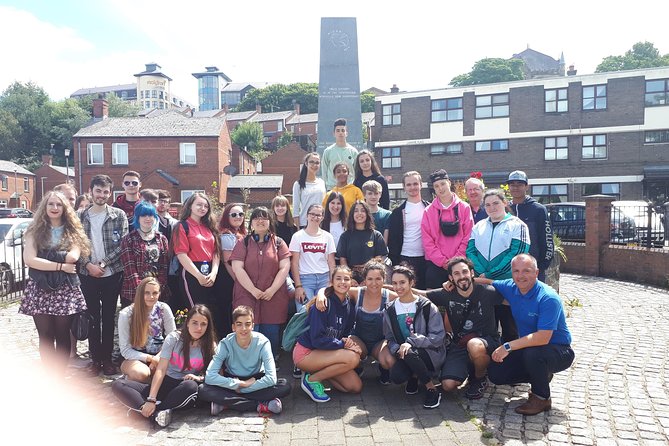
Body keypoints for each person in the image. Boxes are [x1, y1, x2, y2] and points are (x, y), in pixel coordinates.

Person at [483, 254, 575, 416]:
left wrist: (507, 346)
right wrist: (456, 283)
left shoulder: (548, 298)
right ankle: (541, 374)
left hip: (559, 350)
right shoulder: (511, 287)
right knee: (496, 372)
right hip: (530, 348)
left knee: (533, 354)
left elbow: (542, 338)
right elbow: (488, 282)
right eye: (516, 271)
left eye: (526, 271)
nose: (520, 276)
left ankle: (542, 398)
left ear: (536, 272)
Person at [111, 304, 217, 428]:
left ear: (208, 326)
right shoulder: (174, 338)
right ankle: (154, 412)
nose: (198, 328)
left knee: (191, 387)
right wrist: (151, 399)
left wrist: (199, 378)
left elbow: (214, 373)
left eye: (203, 324)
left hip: (184, 389)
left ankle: (150, 411)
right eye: (194, 322)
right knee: (118, 384)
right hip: (165, 384)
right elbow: (161, 370)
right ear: (187, 322)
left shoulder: (211, 346)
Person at [19, 190, 90, 372]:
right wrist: (60, 265)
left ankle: (59, 373)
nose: (55, 207)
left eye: (59, 204)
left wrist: (43, 257)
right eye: (51, 204)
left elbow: (73, 257)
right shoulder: (35, 230)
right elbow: (29, 260)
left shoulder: (72, 230)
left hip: (64, 289)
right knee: (45, 335)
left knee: (62, 334)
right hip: (40, 287)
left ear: (65, 208)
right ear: (45, 206)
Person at [425, 257, 504, 400]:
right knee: (448, 385)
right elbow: (417, 294)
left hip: (487, 341)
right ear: (450, 278)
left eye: (465, 272)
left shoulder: (488, 292)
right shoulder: (446, 294)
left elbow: (509, 290)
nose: (462, 276)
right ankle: (467, 368)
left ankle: (479, 377)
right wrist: (380, 289)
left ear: (472, 273)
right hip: (460, 344)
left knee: (474, 345)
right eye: (456, 274)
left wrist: (481, 280)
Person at [315, 259, 398, 384]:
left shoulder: (390, 296)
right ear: (364, 280)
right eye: (370, 279)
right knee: (349, 354)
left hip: (379, 342)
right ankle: (357, 367)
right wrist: (321, 294)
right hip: (359, 339)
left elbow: (408, 293)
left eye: (378, 279)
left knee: (389, 361)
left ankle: (383, 368)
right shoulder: (357, 293)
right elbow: (334, 288)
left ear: (384, 279)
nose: (374, 283)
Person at [199, 305, 292, 416]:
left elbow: (271, 378)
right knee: (203, 389)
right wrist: (239, 384)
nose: (244, 328)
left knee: (285, 386)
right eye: (239, 324)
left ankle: (226, 403)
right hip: (233, 381)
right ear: (233, 327)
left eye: (247, 324)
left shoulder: (263, 342)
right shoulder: (225, 344)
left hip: (255, 379)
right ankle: (260, 405)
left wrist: (244, 389)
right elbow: (210, 376)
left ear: (253, 326)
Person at [78, 174, 129, 376]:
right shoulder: (80, 215)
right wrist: (89, 265)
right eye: (98, 191)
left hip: (112, 274)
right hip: (86, 273)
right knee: (92, 316)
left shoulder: (119, 215)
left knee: (108, 317)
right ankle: (94, 359)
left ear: (110, 193)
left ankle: (107, 359)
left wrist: (103, 263)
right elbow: (75, 243)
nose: (101, 195)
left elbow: (123, 244)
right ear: (91, 191)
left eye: (105, 191)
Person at [467, 189, 531, 342]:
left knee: (510, 328)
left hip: (507, 285)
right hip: (484, 286)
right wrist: (481, 272)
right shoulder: (478, 226)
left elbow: (516, 256)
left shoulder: (518, 225)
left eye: (496, 203)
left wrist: (489, 274)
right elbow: (470, 251)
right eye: (487, 205)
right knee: (487, 328)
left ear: (505, 203)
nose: (492, 208)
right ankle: (491, 360)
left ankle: (512, 361)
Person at [294, 266, 363, 403]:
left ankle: (317, 372)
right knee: (352, 358)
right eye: (338, 278)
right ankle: (312, 380)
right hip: (306, 353)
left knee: (355, 387)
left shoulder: (349, 304)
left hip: (326, 353)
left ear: (352, 283)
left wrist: (349, 343)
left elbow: (345, 333)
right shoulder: (322, 303)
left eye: (346, 279)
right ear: (331, 282)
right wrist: (343, 345)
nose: (342, 282)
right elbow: (317, 340)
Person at [383, 265, 446, 409]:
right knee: (397, 377)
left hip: (430, 353)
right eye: (394, 283)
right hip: (404, 354)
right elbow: (389, 337)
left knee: (410, 352)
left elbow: (438, 337)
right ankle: (414, 375)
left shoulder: (427, 306)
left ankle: (432, 389)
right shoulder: (390, 309)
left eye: (402, 282)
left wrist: (411, 342)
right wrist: (397, 348)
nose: (398, 287)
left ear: (412, 282)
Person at [230, 207, 291, 355]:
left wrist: (272, 290)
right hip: (247, 294)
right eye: (256, 218)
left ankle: (270, 361)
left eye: (264, 218)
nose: (260, 221)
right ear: (251, 223)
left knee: (271, 332)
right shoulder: (243, 243)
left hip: (273, 295)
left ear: (270, 222)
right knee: (248, 329)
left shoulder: (279, 243)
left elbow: (285, 267)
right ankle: (247, 361)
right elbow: (237, 268)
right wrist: (253, 290)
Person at [421, 169, 474, 289]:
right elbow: (427, 241)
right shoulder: (428, 211)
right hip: (436, 265)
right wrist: (443, 262)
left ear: (449, 183)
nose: (440, 188)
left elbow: (469, 235)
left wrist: (456, 260)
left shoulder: (464, 208)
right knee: (435, 303)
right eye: (436, 186)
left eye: (443, 184)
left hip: (460, 265)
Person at [117, 277, 176, 383]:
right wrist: (150, 358)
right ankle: (131, 380)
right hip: (134, 357)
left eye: (155, 293)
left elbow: (173, 339)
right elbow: (125, 350)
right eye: (147, 293)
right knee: (142, 374)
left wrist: (158, 357)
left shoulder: (164, 308)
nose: (151, 297)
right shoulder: (126, 314)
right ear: (140, 293)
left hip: (159, 355)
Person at [172, 192, 221, 313]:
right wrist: (198, 275)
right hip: (192, 273)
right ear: (190, 206)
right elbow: (181, 254)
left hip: (210, 272)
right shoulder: (182, 226)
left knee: (210, 312)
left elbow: (216, 252)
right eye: (199, 205)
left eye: (206, 206)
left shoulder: (210, 226)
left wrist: (214, 273)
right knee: (196, 312)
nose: (203, 208)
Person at [119, 201, 170, 308]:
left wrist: (156, 289)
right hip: (133, 294)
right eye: (143, 215)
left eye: (151, 215)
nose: (148, 218)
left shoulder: (162, 239)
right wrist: (143, 291)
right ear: (137, 218)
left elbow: (164, 267)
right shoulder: (129, 239)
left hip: (157, 294)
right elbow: (130, 269)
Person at [506, 170, 554, 282]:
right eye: (512, 185)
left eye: (520, 184)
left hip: (532, 270)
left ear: (527, 186)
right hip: (507, 271)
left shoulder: (538, 210)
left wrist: (541, 267)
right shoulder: (504, 209)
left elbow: (547, 241)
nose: (516, 188)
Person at [386, 171, 430, 290]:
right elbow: (393, 239)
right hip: (404, 257)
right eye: (409, 185)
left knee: (423, 292)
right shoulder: (397, 213)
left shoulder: (430, 208)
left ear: (421, 185)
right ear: (404, 187)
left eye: (415, 184)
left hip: (426, 259)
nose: (412, 187)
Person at [290, 204, 336, 313]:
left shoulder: (327, 237)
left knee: (324, 312)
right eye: (312, 214)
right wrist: (298, 286)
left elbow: (331, 261)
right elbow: (294, 263)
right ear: (307, 216)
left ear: (322, 218)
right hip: (305, 279)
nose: (315, 217)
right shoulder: (298, 236)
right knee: (304, 313)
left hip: (324, 279)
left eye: (318, 215)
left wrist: (332, 281)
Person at [214, 203, 247, 338]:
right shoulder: (226, 235)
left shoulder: (240, 233)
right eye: (233, 214)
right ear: (226, 217)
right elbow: (228, 262)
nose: (238, 217)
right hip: (229, 279)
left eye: (241, 214)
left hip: (239, 276)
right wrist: (239, 281)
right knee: (228, 312)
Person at [336, 201, 388, 284]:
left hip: (371, 277)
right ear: (352, 215)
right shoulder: (345, 236)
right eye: (356, 211)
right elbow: (343, 260)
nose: (359, 213)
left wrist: (368, 279)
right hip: (351, 276)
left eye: (363, 211)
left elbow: (379, 259)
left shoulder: (376, 235)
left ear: (367, 214)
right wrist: (349, 278)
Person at [321, 118, 359, 190]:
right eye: (338, 131)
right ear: (334, 134)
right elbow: (324, 171)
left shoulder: (353, 152)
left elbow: (357, 171)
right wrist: (326, 187)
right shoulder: (328, 151)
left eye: (343, 130)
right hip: (332, 188)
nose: (340, 133)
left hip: (349, 188)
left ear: (346, 133)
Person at [292, 151, 326, 228]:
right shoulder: (298, 184)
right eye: (311, 162)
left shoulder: (321, 182)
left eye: (317, 163)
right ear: (306, 163)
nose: (314, 165)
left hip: (320, 224)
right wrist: (298, 229)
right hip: (304, 224)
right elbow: (295, 210)